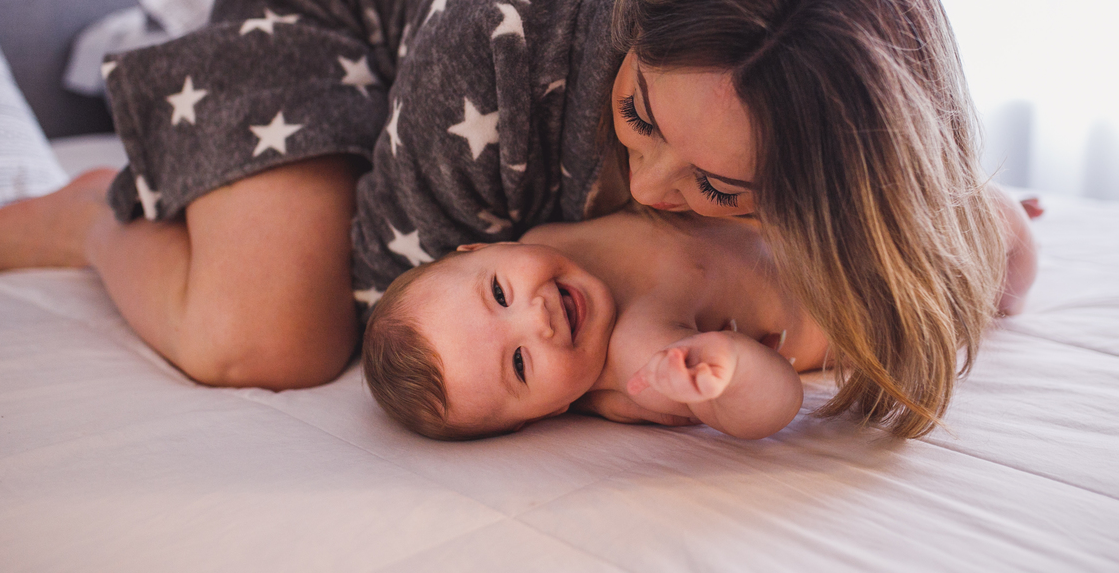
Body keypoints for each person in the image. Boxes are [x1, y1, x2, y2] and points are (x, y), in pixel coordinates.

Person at [0, 0, 1025, 438]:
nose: (650, 192)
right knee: (271, 335)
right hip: (323, 10)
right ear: (640, 20)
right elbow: (403, 300)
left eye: (719, 186)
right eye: (638, 112)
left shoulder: (800, 65)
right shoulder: (489, 59)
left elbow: (960, 242)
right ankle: (95, 220)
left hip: (453, 50)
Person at [363, 193, 1037, 441]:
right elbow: (773, 408)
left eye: (499, 293)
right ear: (543, 414)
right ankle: (1012, 266)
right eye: (519, 364)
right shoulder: (637, 360)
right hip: (871, 299)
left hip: (835, 220)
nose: (536, 319)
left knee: (957, 196)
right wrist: (726, 376)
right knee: (994, 247)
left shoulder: (552, 226)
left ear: (481, 248)